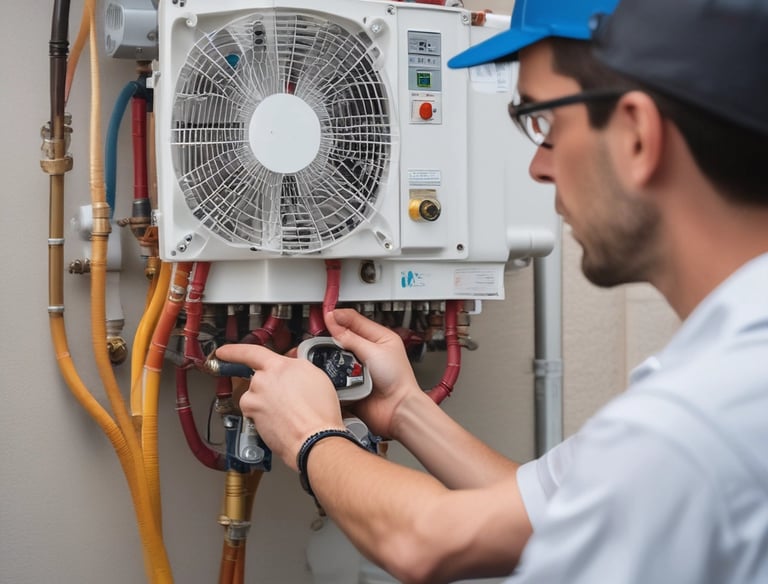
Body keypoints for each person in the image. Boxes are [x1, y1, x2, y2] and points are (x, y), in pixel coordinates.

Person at [217, 0, 768, 581]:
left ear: (637, 135)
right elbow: (545, 511)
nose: (536, 166)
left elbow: (429, 544)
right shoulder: (731, 378)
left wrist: (310, 436)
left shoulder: (694, 422)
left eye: (545, 123)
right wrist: (403, 406)